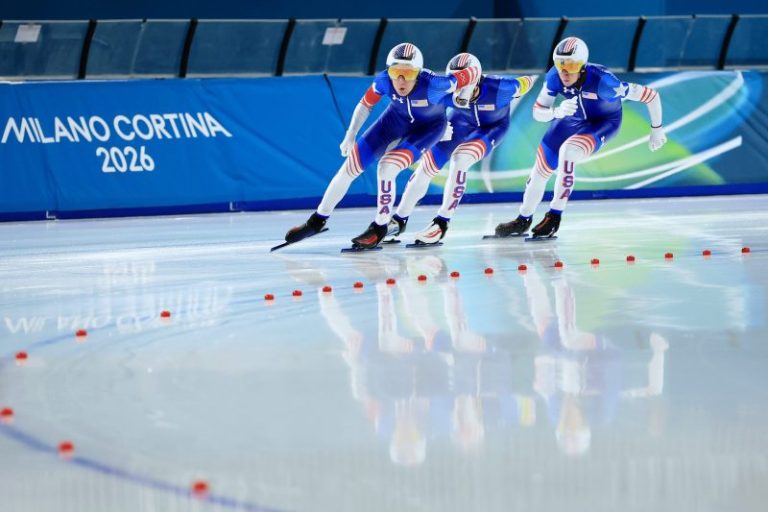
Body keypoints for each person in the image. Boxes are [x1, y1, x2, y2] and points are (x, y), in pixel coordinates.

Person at [283, 42, 480, 249]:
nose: (401, 80)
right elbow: (365, 104)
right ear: (388, 71)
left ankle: (379, 227)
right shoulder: (384, 80)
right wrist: (350, 135)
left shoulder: (435, 85)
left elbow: (474, 71)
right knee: (349, 168)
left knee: (387, 167)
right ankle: (317, 220)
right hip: (394, 121)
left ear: (418, 73)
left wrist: (463, 98)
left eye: (408, 73)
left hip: (428, 129)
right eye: (396, 72)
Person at [495, 37, 668, 239]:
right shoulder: (554, 76)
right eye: (560, 64)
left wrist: (657, 128)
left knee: (568, 151)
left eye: (571, 65)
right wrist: (556, 112)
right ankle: (523, 219)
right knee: (540, 169)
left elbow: (651, 95)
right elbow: (538, 112)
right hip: (572, 117)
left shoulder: (605, 82)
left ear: (583, 65)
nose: (565, 72)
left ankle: (554, 215)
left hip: (603, 123)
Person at [385, 52, 535, 245]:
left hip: (492, 128)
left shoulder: (501, 88)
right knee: (428, 165)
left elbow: (528, 81)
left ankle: (442, 222)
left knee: (461, 158)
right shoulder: (446, 88)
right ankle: (399, 220)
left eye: (465, 82)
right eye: (457, 83)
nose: (460, 88)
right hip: (460, 121)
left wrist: (535, 98)